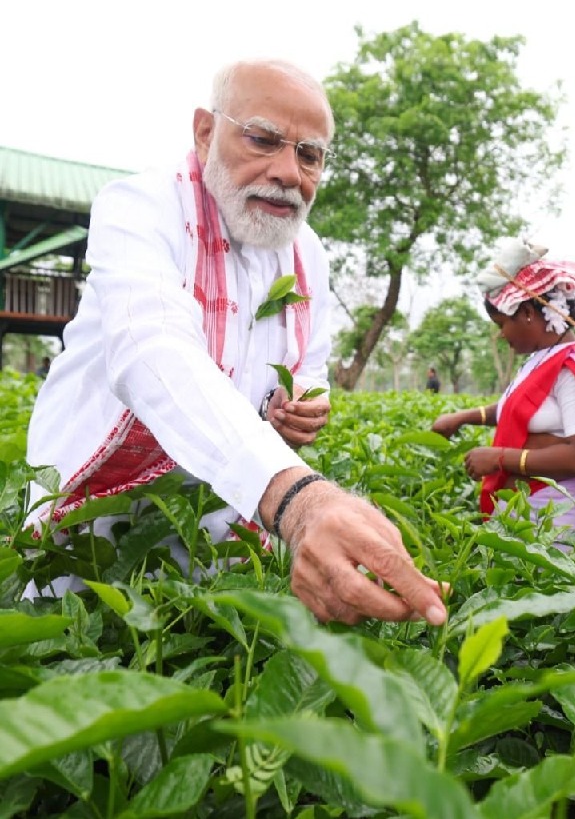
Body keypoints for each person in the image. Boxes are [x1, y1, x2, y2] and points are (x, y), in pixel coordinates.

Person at [23, 59, 447, 627]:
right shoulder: (142, 208)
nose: (288, 172)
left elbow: (311, 361)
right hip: (96, 524)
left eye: (309, 155)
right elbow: (152, 348)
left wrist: (306, 405)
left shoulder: (307, 253)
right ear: (205, 132)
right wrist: (300, 499)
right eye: (263, 139)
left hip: (222, 528)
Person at [431, 239, 575, 538]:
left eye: (501, 324)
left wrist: (499, 458)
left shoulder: (570, 367)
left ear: (526, 313)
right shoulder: (542, 360)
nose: (501, 335)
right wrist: (462, 417)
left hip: (559, 523)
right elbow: (521, 411)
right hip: (534, 517)